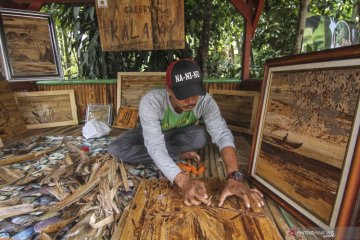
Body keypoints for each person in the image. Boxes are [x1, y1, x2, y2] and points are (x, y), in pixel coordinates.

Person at [108, 59, 264, 208]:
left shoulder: (205, 101)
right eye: (183, 94)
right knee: (115, 149)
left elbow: (222, 134)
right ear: (168, 89)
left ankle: (171, 153)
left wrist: (233, 176)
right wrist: (184, 181)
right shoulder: (151, 102)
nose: (191, 100)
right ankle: (178, 154)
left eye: (195, 93)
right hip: (151, 132)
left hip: (180, 133)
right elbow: (155, 145)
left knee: (201, 137)